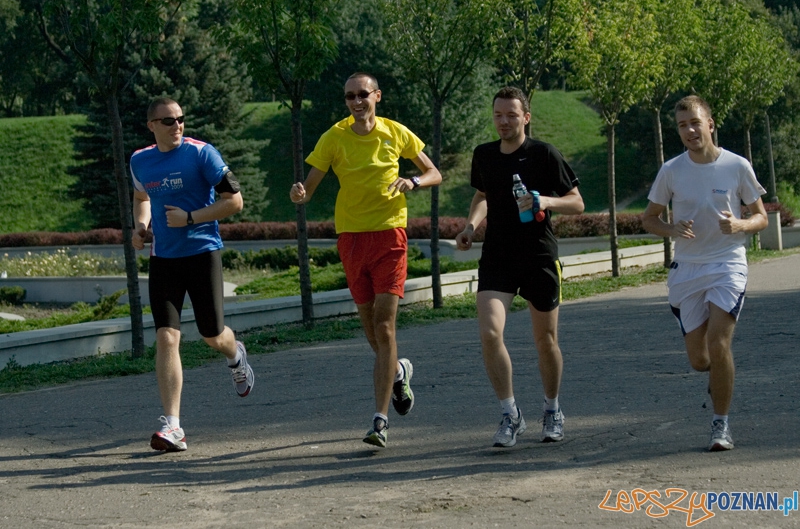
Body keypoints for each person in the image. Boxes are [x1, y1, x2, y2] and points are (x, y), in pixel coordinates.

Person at [289, 72, 441, 448]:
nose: (356, 102)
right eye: (350, 97)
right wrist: (299, 194)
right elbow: (308, 188)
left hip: (390, 233)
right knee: (372, 331)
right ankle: (399, 369)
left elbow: (434, 172)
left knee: (385, 327)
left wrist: (413, 182)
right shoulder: (334, 137)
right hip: (352, 238)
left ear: (377, 96)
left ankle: (380, 420)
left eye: (363, 95)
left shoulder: (395, 132)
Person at [455, 86, 584, 448]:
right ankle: (510, 415)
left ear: (526, 117)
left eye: (511, 115)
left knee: (545, 341)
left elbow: (577, 203)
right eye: (498, 115)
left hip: (539, 256)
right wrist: (470, 226)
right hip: (497, 257)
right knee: (490, 334)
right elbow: (482, 195)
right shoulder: (484, 155)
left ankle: (552, 409)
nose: (504, 121)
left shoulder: (544, 154)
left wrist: (545, 200)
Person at [642, 95, 767, 451]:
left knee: (719, 341)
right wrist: (672, 229)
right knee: (700, 360)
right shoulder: (671, 170)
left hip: (728, 262)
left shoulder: (737, 166)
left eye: (695, 122)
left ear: (710, 124)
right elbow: (649, 218)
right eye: (682, 125)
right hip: (688, 268)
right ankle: (717, 373)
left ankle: (720, 424)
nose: (689, 130)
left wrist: (740, 224)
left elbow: (760, 217)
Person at [130, 97, 255, 452]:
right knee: (168, 338)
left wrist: (189, 218)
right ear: (151, 125)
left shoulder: (202, 154)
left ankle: (236, 355)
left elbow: (235, 201)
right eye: (168, 121)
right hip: (164, 258)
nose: (177, 126)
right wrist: (141, 227)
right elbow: (141, 196)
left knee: (212, 335)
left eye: (181, 119)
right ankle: (174, 428)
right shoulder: (140, 159)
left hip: (202, 252)